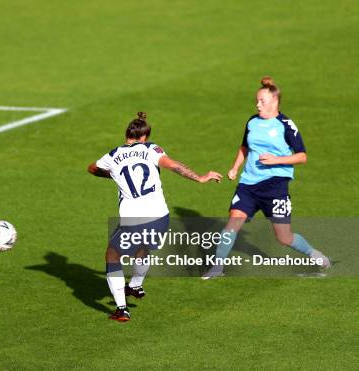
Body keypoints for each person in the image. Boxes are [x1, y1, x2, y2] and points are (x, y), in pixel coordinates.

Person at [88, 112, 222, 322]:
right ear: (144, 137)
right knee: (143, 248)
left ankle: (122, 309)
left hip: (133, 218)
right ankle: (136, 286)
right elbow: (174, 165)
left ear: (128, 135)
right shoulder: (151, 149)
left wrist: (111, 174)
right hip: (160, 216)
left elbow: (92, 168)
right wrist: (200, 178)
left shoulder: (113, 155)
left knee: (112, 255)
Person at [201, 76, 330, 280]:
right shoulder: (252, 121)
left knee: (284, 237)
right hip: (248, 184)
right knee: (232, 223)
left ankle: (314, 254)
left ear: (275, 102)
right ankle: (217, 267)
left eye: (262, 101)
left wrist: (277, 159)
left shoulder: (286, 124)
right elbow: (244, 147)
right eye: (257, 101)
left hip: (275, 186)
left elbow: (302, 156)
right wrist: (235, 168)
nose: (257, 105)